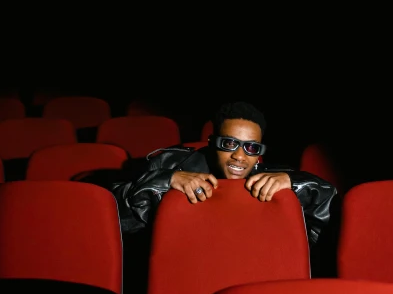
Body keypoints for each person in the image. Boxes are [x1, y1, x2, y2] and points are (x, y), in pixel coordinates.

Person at [110, 100, 338, 259]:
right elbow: (112, 218)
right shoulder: (168, 164)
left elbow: (331, 225)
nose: (239, 156)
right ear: (211, 143)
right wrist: (166, 180)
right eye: (229, 144)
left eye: (251, 147)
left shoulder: (272, 177)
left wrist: (295, 183)